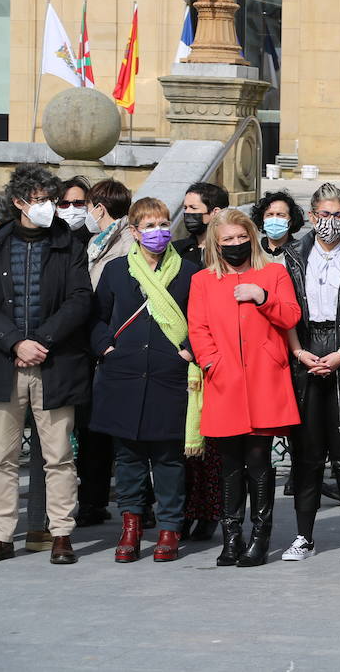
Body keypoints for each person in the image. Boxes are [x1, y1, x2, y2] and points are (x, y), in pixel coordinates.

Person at [89, 197, 202, 563]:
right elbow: (97, 319)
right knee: (129, 457)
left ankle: (169, 528)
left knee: (169, 458)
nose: (158, 232)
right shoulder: (117, 271)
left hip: (170, 376)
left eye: (163, 224)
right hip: (123, 375)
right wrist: (106, 349)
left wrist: (188, 350)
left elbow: (202, 321)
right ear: (134, 232)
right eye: (149, 226)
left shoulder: (188, 271)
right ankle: (131, 526)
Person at [187, 208, 302, 568]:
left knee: (259, 460)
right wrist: (210, 362)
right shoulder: (203, 280)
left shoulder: (274, 272)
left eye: (241, 237)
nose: (236, 244)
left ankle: (260, 537)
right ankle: (231, 537)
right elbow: (198, 328)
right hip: (224, 380)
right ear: (216, 244)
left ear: (251, 237)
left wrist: (262, 296)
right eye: (228, 240)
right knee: (229, 464)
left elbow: (291, 316)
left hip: (266, 377)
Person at [0, 163, 94, 564]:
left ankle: (61, 533)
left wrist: (41, 341)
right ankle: (1, 534)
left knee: (58, 454)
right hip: (5, 363)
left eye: (50, 199)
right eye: (39, 200)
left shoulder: (68, 244)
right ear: (19, 202)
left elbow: (80, 299)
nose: (48, 207)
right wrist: (16, 341)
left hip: (55, 362)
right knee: (1, 456)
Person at [278, 184, 340, 565]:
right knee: (307, 453)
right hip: (304, 347)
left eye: (336, 215)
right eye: (323, 214)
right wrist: (299, 351)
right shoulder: (292, 254)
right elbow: (285, 311)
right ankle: (304, 536)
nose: (329, 222)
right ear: (312, 214)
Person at [72, 178, 136, 528]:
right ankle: (93, 500)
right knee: (93, 429)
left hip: (115, 343)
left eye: (88, 205)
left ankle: (138, 503)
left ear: (99, 207)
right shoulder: (97, 241)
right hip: (95, 345)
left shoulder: (124, 241)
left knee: (121, 431)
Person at [174, 181, 229, 541]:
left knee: (211, 447)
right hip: (179, 354)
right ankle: (179, 511)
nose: (189, 215)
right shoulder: (176, 252)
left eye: (196, 209)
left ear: (215, 213)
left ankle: (210, 511)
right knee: (182, 444)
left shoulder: (226, 254)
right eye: (186, 209)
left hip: (213, 356)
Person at [174, 181, 229, 265]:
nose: (187, 212)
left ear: (215, 212)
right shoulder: (176, 250)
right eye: (185, 208)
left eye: (193, 208)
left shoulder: (231, 249)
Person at [251, 190, 305, 259]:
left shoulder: (302, 252)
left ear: (291, 221)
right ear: (262, 219)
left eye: (280, 215)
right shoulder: (252, 249)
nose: (274, 219)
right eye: (269, 215)